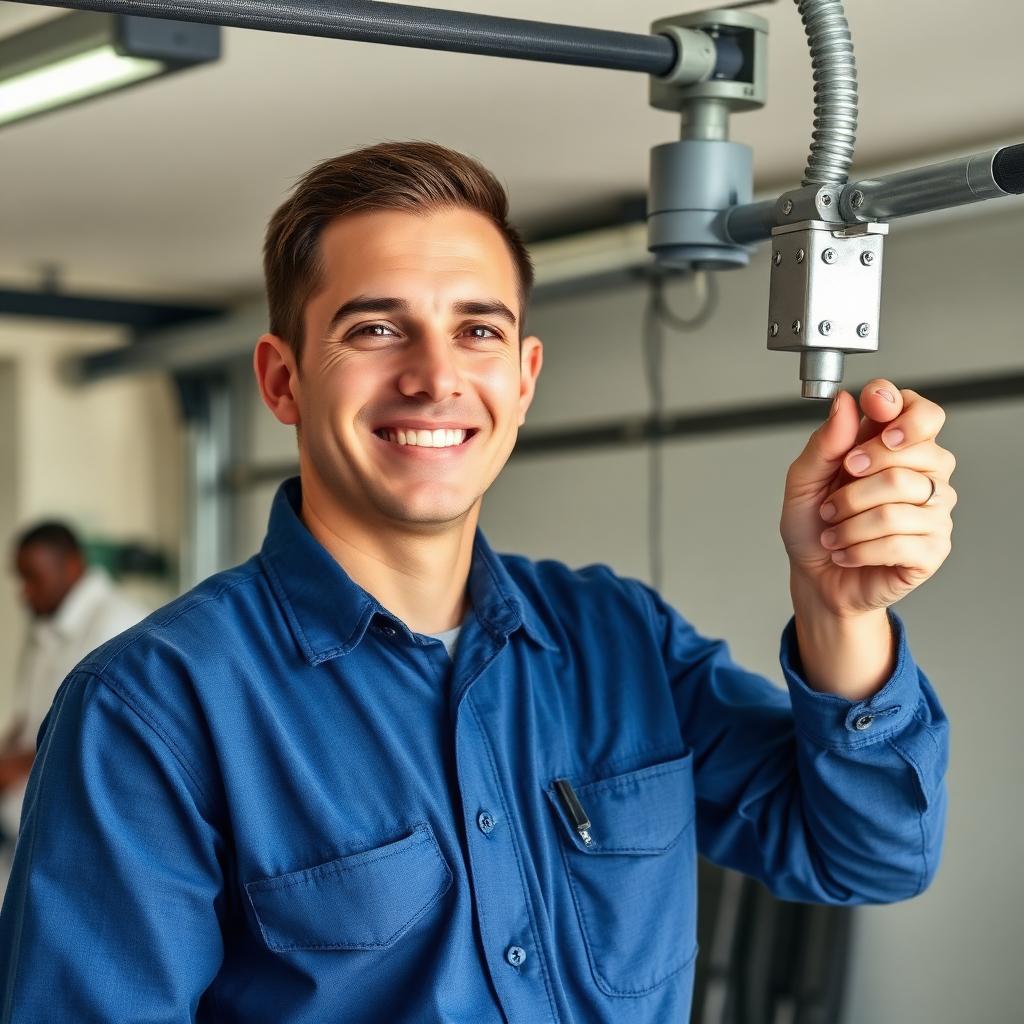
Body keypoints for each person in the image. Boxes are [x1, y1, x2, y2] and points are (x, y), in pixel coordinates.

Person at [0, 142, 956, 1023]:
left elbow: (865, 854)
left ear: (526, 377)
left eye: (478, 332)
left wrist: (840, 608)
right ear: (283, 380)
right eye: (377, 328)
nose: (435, 377)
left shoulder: (619, 639)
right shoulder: (153, 709)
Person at [0, 522, 146, 879]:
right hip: (25, 819)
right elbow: (28, 716)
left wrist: (16, 766)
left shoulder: (118, 626)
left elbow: (107, 741)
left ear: (72, 566)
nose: (24, 594)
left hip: (79, 834)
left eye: (33, 579)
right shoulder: (50, 626)